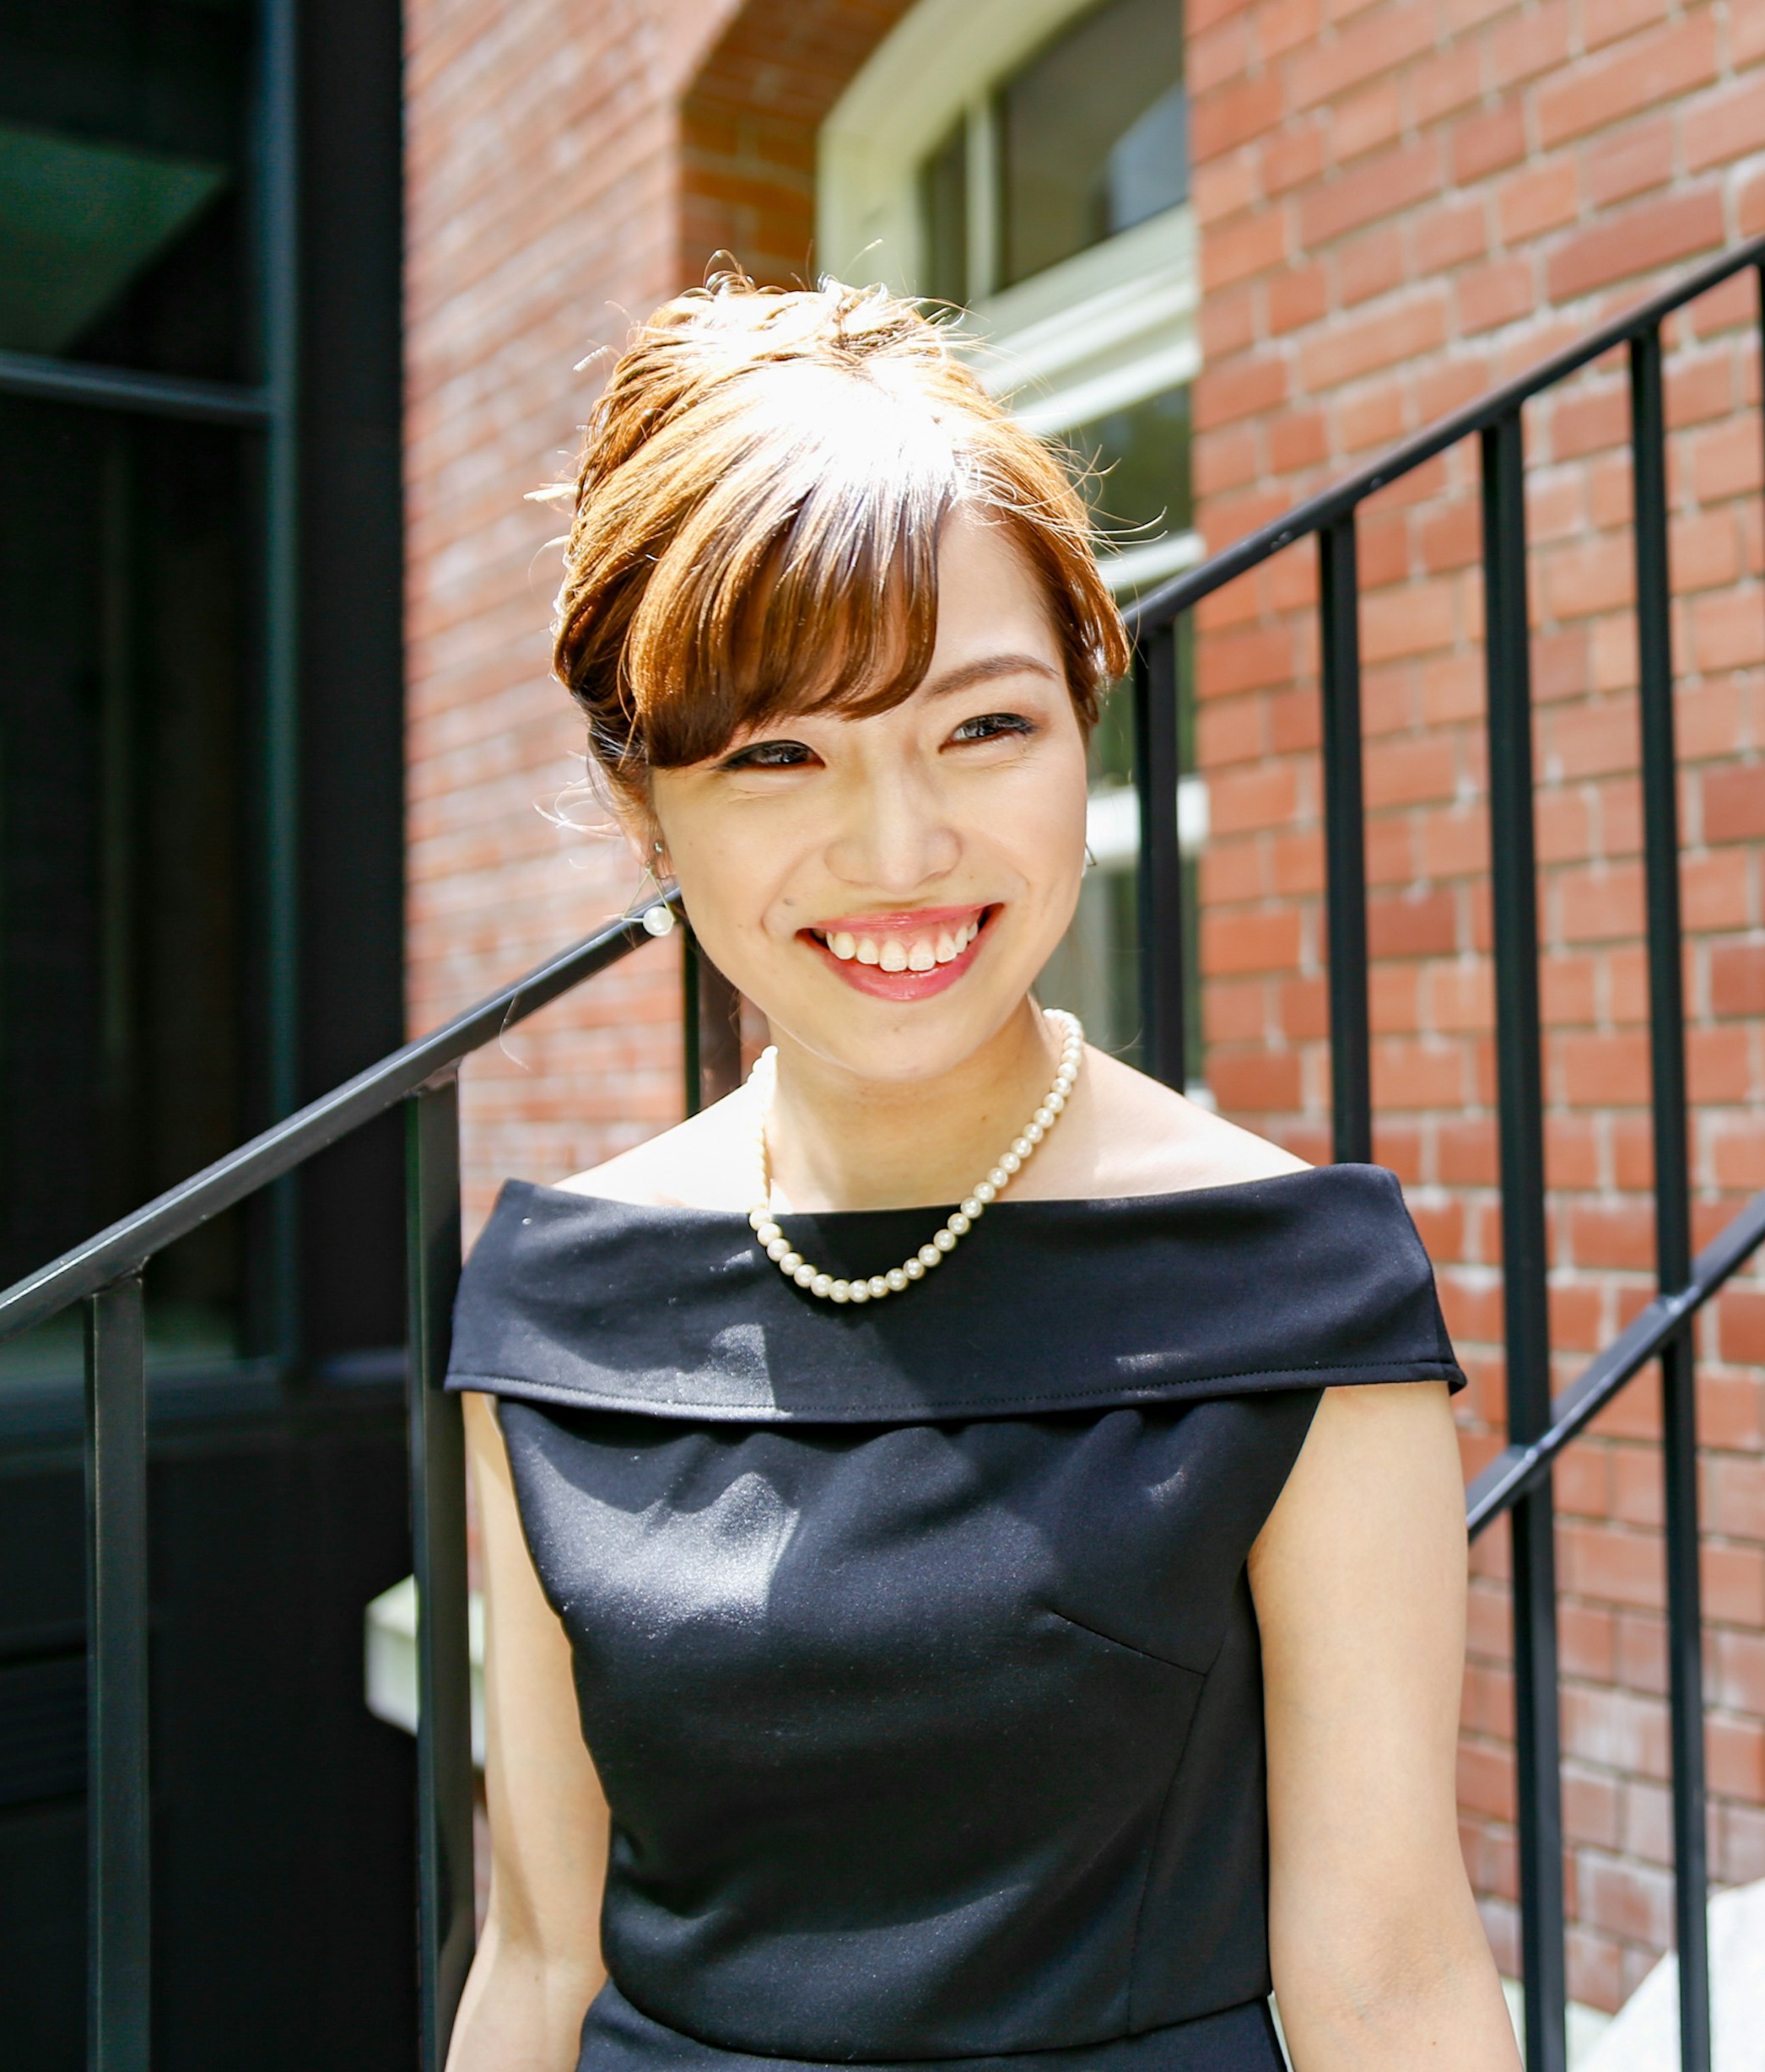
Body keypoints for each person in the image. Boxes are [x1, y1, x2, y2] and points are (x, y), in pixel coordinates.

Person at [443, 274, 1522, 2072]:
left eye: (985, 726)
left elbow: (1392, 1971)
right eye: (780, 752)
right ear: (649, 809)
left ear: (1086, 723)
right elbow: (541, 1955)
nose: (901, 849)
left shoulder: (1286, 1284)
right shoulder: (554, 1298)